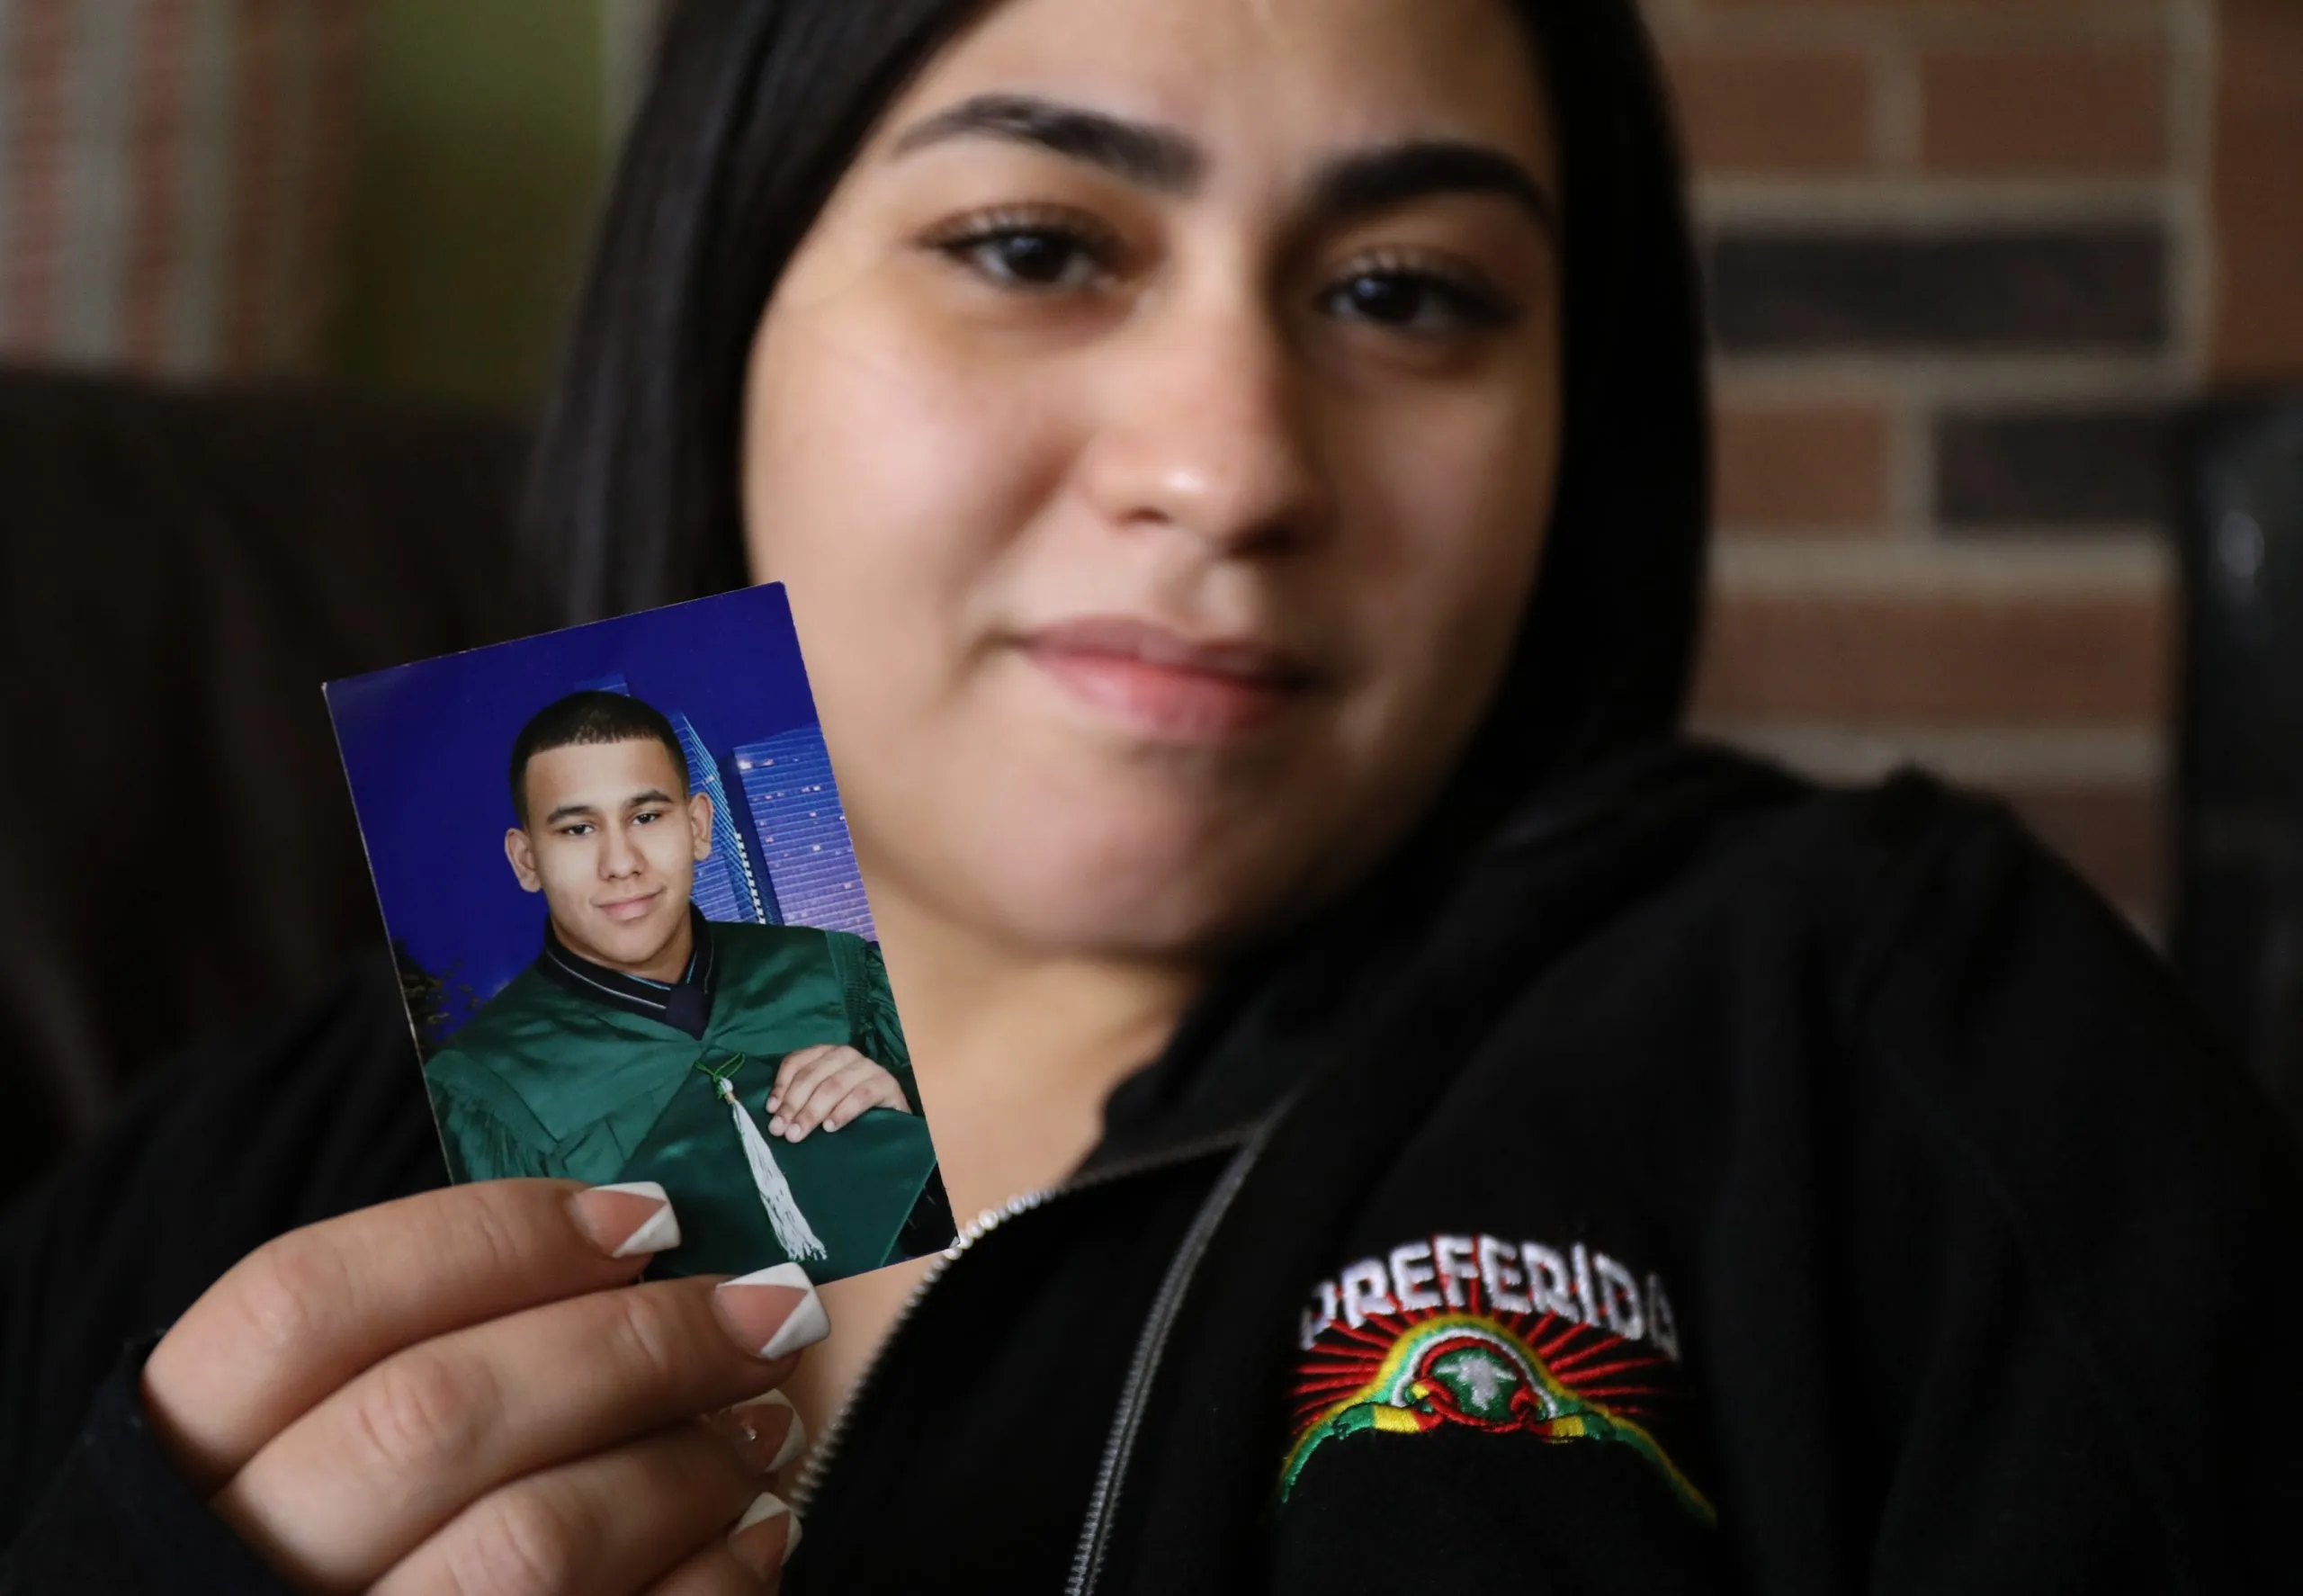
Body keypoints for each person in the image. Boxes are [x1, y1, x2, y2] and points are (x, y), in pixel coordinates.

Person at [4, 0, 2301, 1591]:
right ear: (729, 305)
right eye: (1033, 246)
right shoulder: (223, 1197)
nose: (1224, 464)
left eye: (1404, 292)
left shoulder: (1877, 1027)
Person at [420, 687, 943, 1281]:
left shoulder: (839, 973)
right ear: (526, 861)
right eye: (576, 830)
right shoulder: (478, 1092)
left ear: (697, 827)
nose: (621, 863)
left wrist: (908, 1132)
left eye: (646, 817)